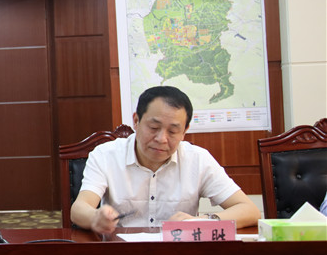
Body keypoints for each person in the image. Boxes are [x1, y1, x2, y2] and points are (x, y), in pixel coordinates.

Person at [71, 85, 260, 235]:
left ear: (185, 131)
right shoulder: (106, 155)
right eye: (154, 128)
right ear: (136, 121)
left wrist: (203, 221)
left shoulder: (198, 159)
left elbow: (250, 210)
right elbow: (79, 209)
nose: (161, 139)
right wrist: (96, 217)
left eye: (173, 131)